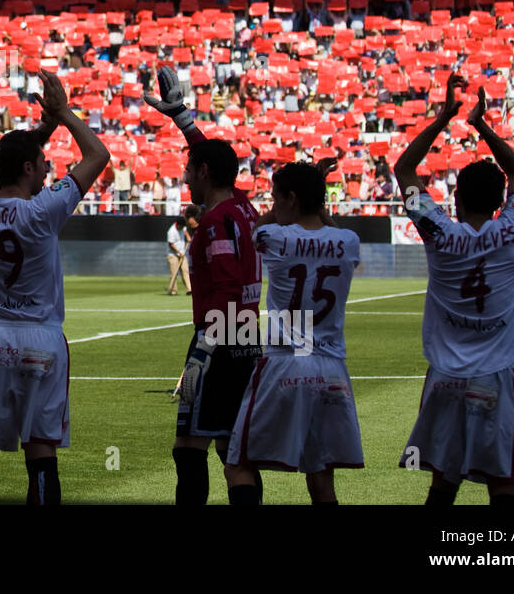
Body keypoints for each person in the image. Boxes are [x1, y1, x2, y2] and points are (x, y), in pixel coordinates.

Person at [0, 68, 109, 505]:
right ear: (27, 168)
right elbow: (97, 155)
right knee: (41, 455)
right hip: (41, 338)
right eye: (41, 164)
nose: (46, 171)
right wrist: (63, 114)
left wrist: (41, 131)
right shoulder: (43, 211)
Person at [393, 75, 514, 505]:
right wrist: (481, 125)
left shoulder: (438, 232)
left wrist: (443, 118)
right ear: (499, 202)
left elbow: (403, 169)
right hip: (493, 377)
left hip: (445, 379)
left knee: (443, 482)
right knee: (502, 484)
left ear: (455, 199)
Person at [145, 66, 263, 505]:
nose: (186, 177)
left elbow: (229, 284)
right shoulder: (242, 206)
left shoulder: (214, 222)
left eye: (190, 170)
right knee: (232, 450)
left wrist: (207, 346)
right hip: (246, 335)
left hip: (219, 337)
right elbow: (214, 157)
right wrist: (183, 119)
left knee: (188, 447)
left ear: (205, 173)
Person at [226, 160, 364, 504]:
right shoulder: (348, 240)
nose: (273, 205)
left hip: (286, 362)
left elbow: (259, 227)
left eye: (276, 198)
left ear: (290, 198)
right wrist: (314, 194)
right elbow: (330, 232)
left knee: (238, 463)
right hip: (332, 368)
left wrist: (288, 205)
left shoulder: (274, 236)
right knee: (321, 476)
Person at [165, 205, 200, 295]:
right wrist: (178, 252)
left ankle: (189, 289)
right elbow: (171, 244)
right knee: (174, 272)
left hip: (182, 253)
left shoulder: (183, 227)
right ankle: (173, 290)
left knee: (185, 270)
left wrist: (188, 237)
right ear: (178, 225)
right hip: (172, 254)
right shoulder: (171, 231)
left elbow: (185, 231)